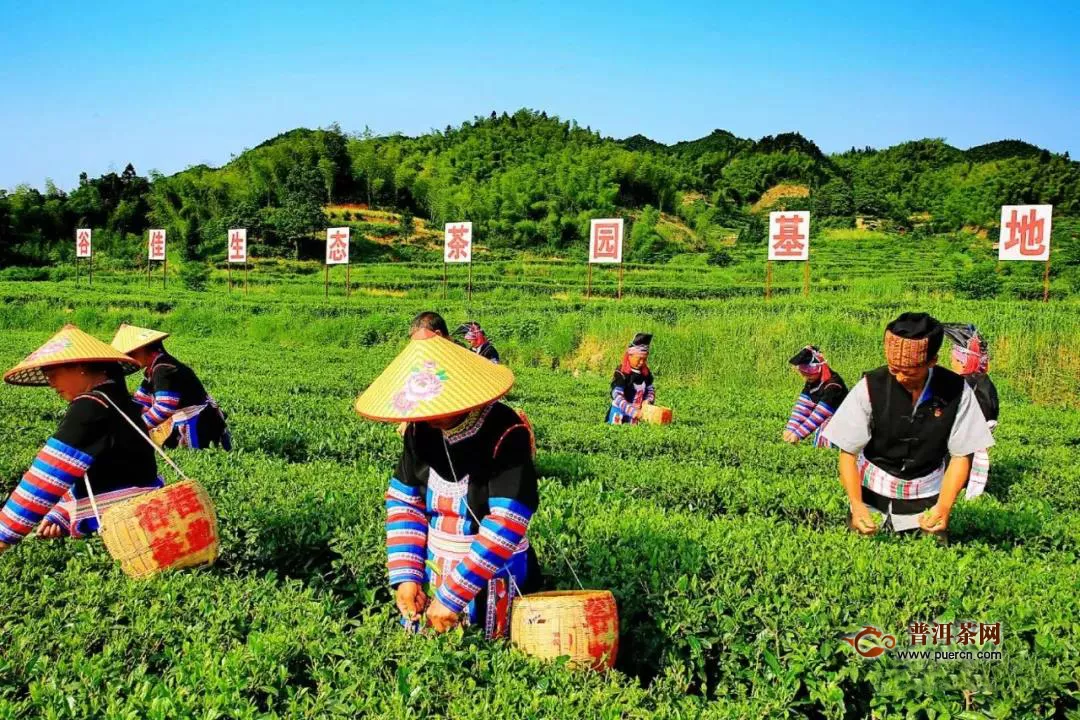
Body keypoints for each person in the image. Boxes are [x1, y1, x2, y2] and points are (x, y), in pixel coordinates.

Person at [354, 328, 541, 638]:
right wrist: (408, 578)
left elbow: (508, 521)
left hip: (495, 577)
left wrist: (452, 595)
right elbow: (405, 501)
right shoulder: (419, 430)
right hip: (437, 571)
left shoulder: (506, 431)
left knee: (492, 660)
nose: (432, 417)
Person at [821, 313, 994, 539]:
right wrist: (856, 504)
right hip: (871, 493)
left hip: (927, 497)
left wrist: (943, 507)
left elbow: (962, 455)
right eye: (894, 369)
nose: (900, 377)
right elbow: (847, 452)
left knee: (931, 559)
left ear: (933, 361)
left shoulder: (957, 391)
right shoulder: (871, 386)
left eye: (910, 371)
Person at [0, 325, 163, 551]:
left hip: (123, 525)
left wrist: (4, 533)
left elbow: (49, 473)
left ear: (81, 367)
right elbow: (106, 470)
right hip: (146, 512)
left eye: (53, 373)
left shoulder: (91, 406)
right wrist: (62, 513)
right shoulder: (119, 400)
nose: (51, 382)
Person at [111, 324, 231, 450]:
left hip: (199, 422)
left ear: (144, 348)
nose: (130, 357)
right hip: (186, 419)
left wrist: (137, 426)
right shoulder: (153, 369)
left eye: (132, 353)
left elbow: (164, 408)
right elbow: (142, 401)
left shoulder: (164, 370)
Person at [943, 323, 998, 499]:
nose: (951, 361)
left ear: (960, 360)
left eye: (953, 357)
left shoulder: (959, 386)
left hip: (956, 458)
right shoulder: (987, 384)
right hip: (974, 453)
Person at [783, 345, 848, 447]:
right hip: (826, 420)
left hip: (843, 423)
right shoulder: (812, 380)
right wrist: (791, 428)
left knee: (826, 432)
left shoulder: (833, 385)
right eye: (803, 374)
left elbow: (819, 415)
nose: (806, 378)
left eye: (809, 374)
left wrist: (798, 434)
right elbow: (803, 406)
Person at [606, 333, 655, 425]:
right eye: (639, 359)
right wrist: (632, 411)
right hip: (619, 413)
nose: (641, 362)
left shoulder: (645, 373)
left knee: (632, 434)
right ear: (630, 356)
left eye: (644, 359)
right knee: (617, 434)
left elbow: (650, 390)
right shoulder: (621, 372)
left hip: (636, 414)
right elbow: (617, 395)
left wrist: (648, 401)